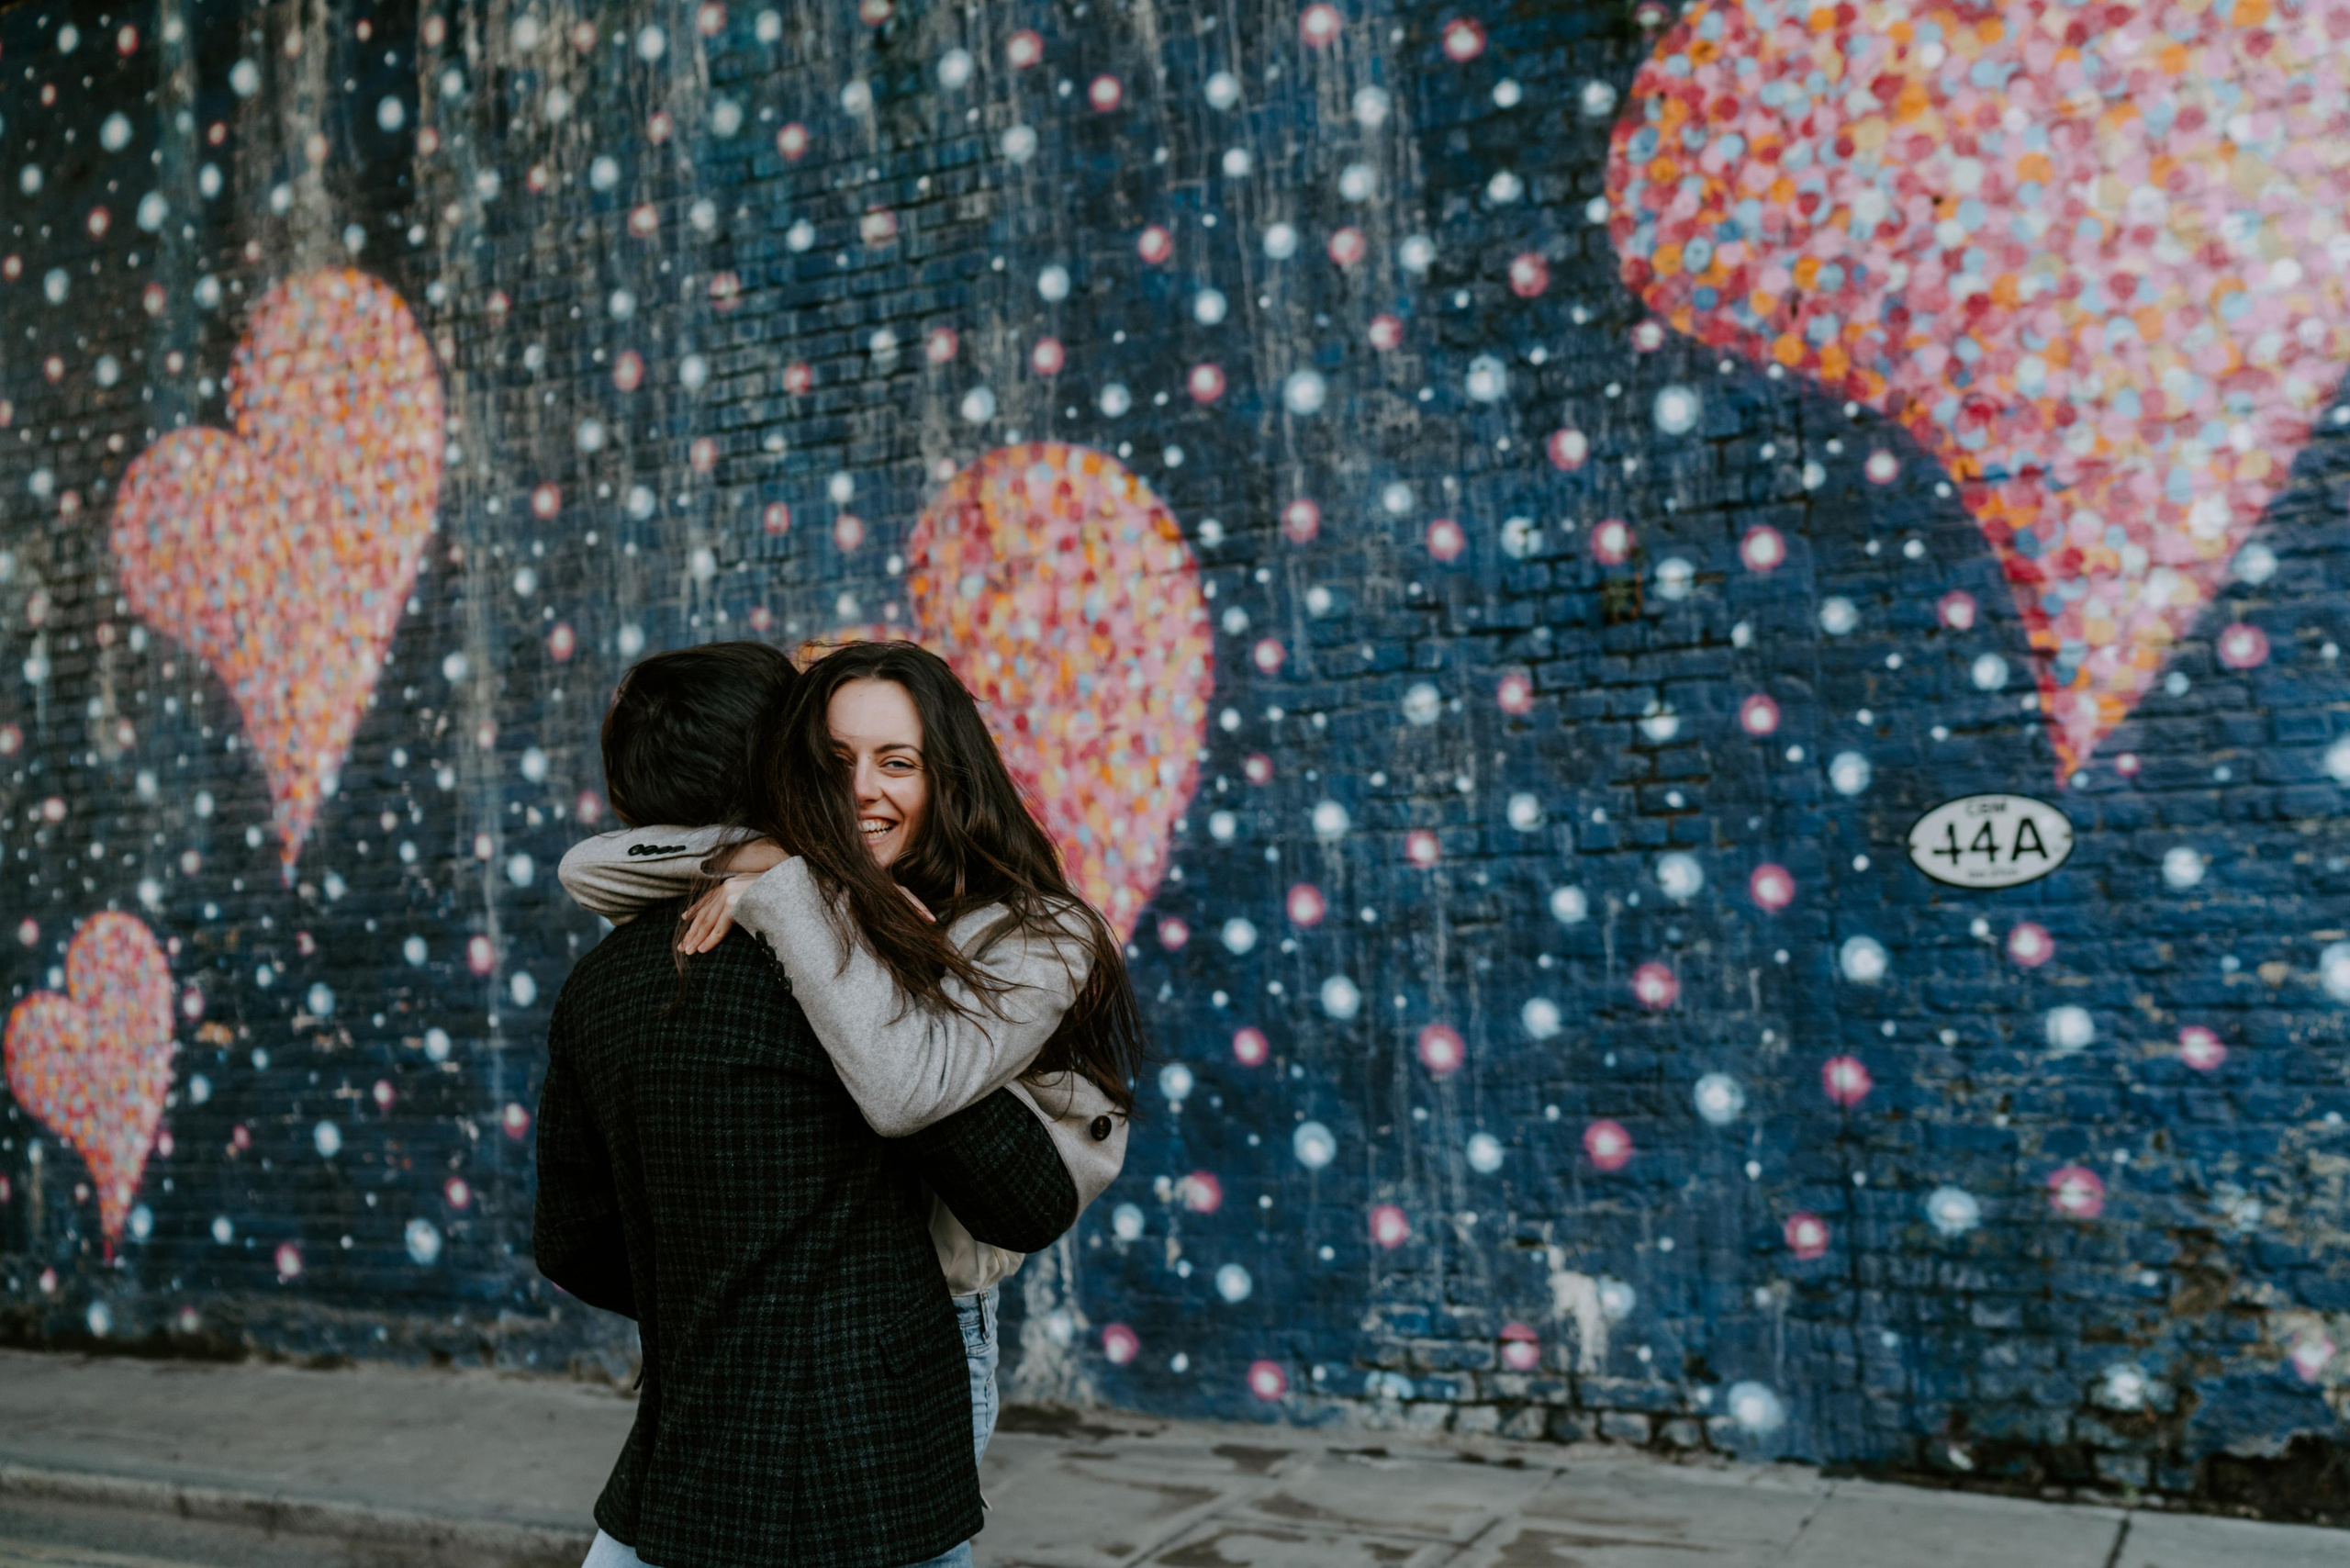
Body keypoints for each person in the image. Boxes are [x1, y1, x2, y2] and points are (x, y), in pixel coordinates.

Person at [559, 640, 1137, 1563]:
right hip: (799, 1351)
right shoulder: (781, 890)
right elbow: (590, 867)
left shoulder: (1024, 928)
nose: (862, 790)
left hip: (915, 1325)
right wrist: (770, 862)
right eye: (833, 765)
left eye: (897, 761)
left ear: (948, 772)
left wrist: (818, 903)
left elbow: (970, 1145)